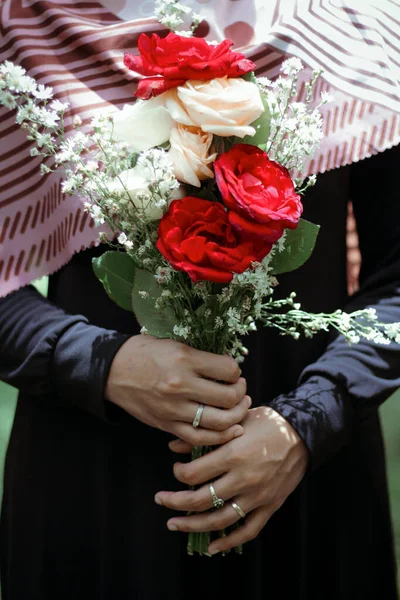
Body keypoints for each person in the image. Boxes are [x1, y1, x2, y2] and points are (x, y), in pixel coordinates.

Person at [1, 1, 400, 599]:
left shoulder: (356, 20)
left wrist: (307, 423)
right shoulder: (25, 25)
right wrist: (97, 363)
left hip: (310, 483)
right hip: (92, 489)